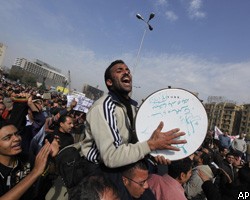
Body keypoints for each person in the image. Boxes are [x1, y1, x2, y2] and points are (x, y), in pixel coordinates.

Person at [80, 60, 186, 168]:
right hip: (98, 170)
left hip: (124, 165)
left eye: (127, 70)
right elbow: (111, 157)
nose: (126, 72)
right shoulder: (103, 107)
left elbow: (136, 143)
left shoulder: (133, 107)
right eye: (119, 70)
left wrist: (154, 153)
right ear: (109, 82)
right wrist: (151, 145)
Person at [0, 121, 50, 200]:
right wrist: (34, 173)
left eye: (17, 134)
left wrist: (51, 155)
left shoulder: (27, 158)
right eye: (7, 138)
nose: (16, 139)